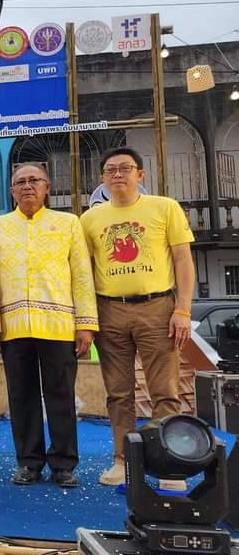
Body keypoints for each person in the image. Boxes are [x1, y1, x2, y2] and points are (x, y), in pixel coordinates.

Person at [80, 147, 195, 486]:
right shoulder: (90, 219)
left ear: (140, 175)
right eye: (111, 169)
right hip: (109, 309)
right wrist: (86, 320)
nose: (118, 174)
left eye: (126, 168)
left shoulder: (164, 208)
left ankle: (167, 464)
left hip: (157, 307)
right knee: (118, 392)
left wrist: (183, 309)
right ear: (102, 178)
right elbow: (85, 270)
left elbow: (183, 261)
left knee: (165, 390)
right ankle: (123, 460)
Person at [0, 164, 97, 488]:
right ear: (11, 190)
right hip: (14, 327)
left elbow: (82, 275)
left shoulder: (68, 224)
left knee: (60, 395)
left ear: (47, 187)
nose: (27, 186)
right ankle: (29, 462)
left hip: (59, 326)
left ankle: (63, 464)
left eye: (34, 181)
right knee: (22, 396)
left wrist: (85, 324)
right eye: (20, 182)